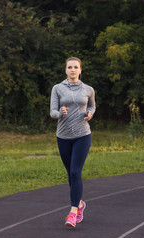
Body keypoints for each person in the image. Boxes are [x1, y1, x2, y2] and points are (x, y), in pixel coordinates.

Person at [50, 57, 96, 228]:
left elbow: (92, 106)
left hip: (82, 135)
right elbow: (52, 113)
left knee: (76, 172)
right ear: (65, 70)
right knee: (71, 174)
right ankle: (80, 204)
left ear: (80, 70)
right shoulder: (58, 89)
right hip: (63, 136)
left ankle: (73, 212)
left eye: (76, 67)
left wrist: (90, 114)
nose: (72, 70)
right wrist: (60, 112)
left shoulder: (88, 89)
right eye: (69, 67)